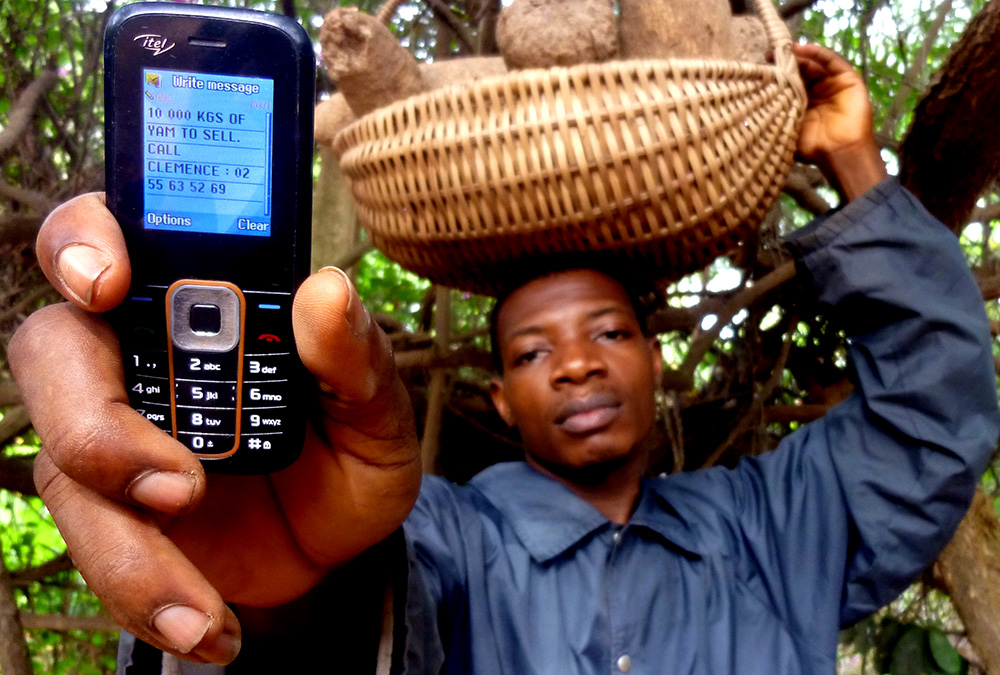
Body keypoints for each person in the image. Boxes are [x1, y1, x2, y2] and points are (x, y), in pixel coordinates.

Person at [9, 43, 998, 674]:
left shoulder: (778, 527)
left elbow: (931, 409)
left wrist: (854, 162)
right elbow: (343, 614)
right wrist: (275, 589)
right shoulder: (440, 538)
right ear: (500, 397)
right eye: (534, 351)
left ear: (656, 364)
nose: (574, 365)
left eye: (609, 333)